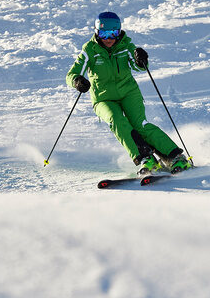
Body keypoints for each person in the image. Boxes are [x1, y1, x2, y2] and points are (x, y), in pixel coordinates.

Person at [66, 11, 191, 175]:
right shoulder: (90, 49)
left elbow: (138, 66)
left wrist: (141, 59)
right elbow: (71, 74)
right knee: (117, 121)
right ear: (97, 32)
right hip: (103, 99)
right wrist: (77, 81)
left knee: (140, 125)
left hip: (128, 93)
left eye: (113, 33)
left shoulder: (125, 46)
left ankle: (175, 157)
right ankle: (146, 158)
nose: (108, 39)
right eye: (104, 34)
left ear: (119, 32)